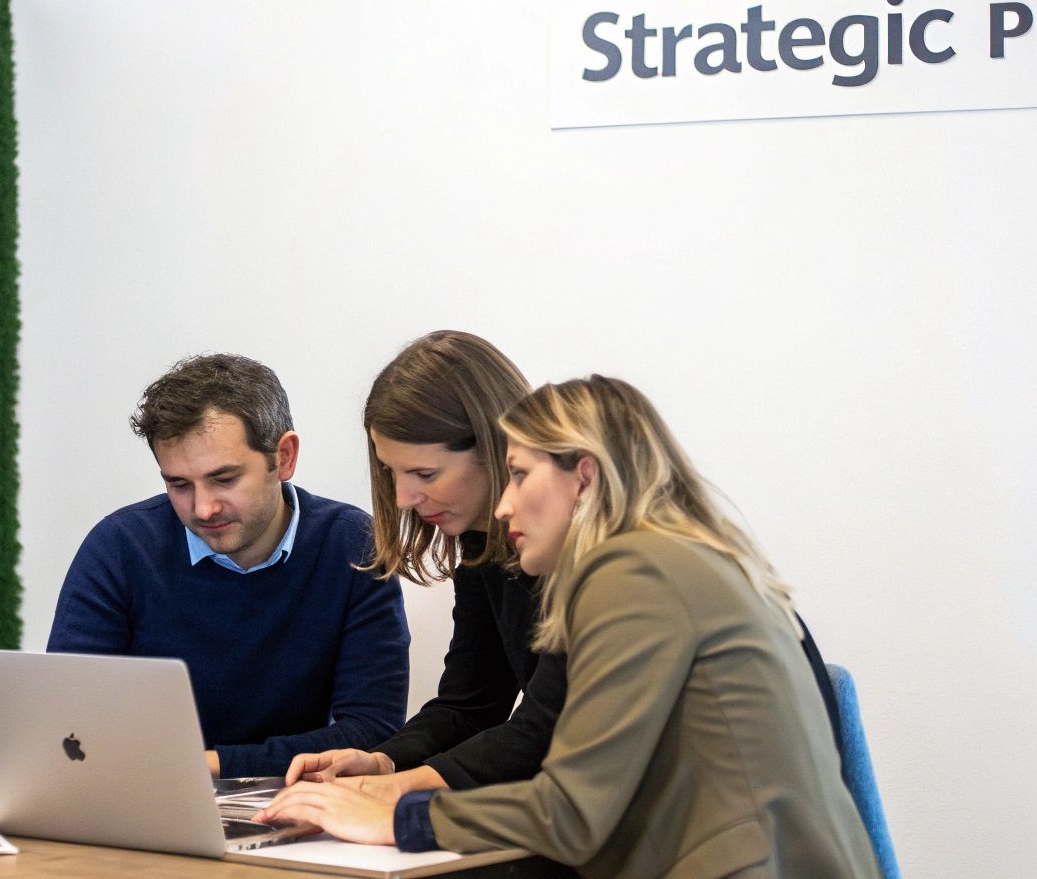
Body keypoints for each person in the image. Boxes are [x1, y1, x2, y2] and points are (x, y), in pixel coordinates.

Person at [259, 376, 880, 879]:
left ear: (584, 476)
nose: (503, 505)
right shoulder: (676, 557)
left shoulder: (635, 574)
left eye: (521, 475)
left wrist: (400, 814)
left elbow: (571, 808)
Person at [47, 353, 410, 778]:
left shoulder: (352, 544)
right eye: (178, 484)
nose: (203, 508)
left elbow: (372, 731)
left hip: (291, 803)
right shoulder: (120, 548)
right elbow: (71, 723)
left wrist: (210, 765)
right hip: (146, 793)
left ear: (285, 457)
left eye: (224, 479)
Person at [284, 331, 568, 799]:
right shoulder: (479, 546)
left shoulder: (587, 556)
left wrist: (396, 789)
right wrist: (383, 761)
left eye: (425, 474)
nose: (402, 499)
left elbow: (549, 726)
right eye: (392, 472)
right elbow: (469, 704)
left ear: (496, 448)